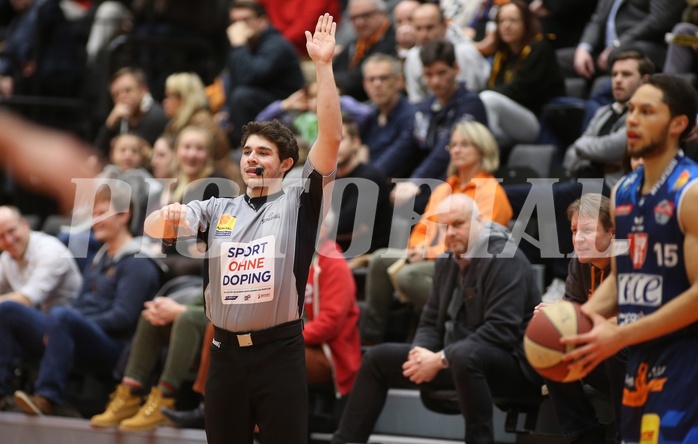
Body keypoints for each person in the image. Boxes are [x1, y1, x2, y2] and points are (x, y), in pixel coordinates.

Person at [143, 14, 341, 444]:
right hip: (226, 354)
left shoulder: (300, 200)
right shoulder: (217, 207)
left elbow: (330, 139)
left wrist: (323, 68)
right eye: (247, 151)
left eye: (264, 153)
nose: (252, 158)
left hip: (279, 353)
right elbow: (155, 227)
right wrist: (168, 215)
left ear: (285, 165)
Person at [332, 194, 541, 444]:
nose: (450, 232)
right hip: (458, 357)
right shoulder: (446, 261)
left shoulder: (505, 258)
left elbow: (501, 330)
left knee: (465, 354)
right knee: (378, 359)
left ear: (480, 221)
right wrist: (422, 353)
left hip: (512, 364)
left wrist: (441, 359)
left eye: (458, 224)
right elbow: (431, 320)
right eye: (444, 226)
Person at [563, 74, 698, 442]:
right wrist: (578, 322)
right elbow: (621, 278)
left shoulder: (691, 192)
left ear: (678, 124)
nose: (632, 119)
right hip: (640, 357)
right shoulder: (623, 192)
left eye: (647, 111)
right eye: (632, 109)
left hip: (686, 359)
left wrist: (620, 332)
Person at [5, 184, 165, 416]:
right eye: (94, 214)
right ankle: (3, 392)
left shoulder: (138, 262)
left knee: (62, 314)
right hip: (75, 330)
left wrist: (71, 323)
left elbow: (123, 318)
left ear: (123, 215)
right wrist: (63, 324)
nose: (95, 220)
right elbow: (78, 305)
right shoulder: (99, 257)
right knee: (10, 310)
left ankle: (47, 397)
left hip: (114, 345)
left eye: (102, 213)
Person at [361, 121, 513, 345]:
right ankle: (370, 341)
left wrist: (429, 252)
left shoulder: (491, 191)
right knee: (379, 260)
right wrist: (418, 247)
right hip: (435, 258)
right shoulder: (443, 189)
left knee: (409, 276)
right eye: (453, 145)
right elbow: (423, 227)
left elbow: (474, 242)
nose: (457, 150)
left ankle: (458, 317)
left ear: (483, 149)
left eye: (465, 144)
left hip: (466, 266)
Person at [535, 194, 626, 444]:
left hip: (637, 357)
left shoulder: (631, 260)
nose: (578, 239)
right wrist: (556, 316)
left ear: (612, 231)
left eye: (587, 230)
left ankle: (625, 432)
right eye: (575, 230)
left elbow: (633, 320)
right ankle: (583, 432)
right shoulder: (579, 262)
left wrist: (577, 321)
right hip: (598, 353)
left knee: (616, 345)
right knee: (547, 339)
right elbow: (573, 308)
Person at [89, 279, 208, 431]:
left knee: (187, 318)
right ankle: (130, 395)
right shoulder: (220, 263)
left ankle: (165, 398)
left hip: (233, 323)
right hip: (208, 318)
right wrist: (173, 309)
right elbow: (202, 299)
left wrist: (181, 309)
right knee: (151, 316)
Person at [386, 39, 488, 212]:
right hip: (432, 184)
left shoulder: (471, 104)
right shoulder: (425, 107)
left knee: (409, 207)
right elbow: (404, 145)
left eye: (441, 73)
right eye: (428, 74)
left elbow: (445, 150)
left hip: (461, 185)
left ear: (455, 69)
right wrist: (372, 174)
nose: (435, 81)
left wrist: (416, 181)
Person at [563, 51, 654, 189]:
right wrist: (599, 161)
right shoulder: (602, 112)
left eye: (626, 74)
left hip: (613, 189)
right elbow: (570, 155)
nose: (618, 80)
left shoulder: (646, 114)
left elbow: (611, 148)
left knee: (534, 194)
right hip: (582, 184)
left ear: (644, 81)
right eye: (614, 74)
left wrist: (583, 149)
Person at [479, 0, 565, 146]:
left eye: (513, 20)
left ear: (526, 22)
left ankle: (488, 150)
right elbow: (494, 85)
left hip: (537, 120)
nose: (507, 25)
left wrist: (479, 94)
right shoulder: (503, 55)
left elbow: (520, 91)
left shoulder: (540, 48)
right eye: (502, 21)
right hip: (510, 119)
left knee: (487, 99)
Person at [224, 0, 305, 149]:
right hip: (260, 109)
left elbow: (250, 77)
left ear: (262, 21)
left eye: (245, 20)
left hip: (287, 111)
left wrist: (239, 45)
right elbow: (234, 81)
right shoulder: (244, 46)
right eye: (234, 21)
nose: (238, 27)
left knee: (242, 96)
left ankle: (243, 148)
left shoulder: (276, 44)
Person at [564, 0, 683, 79]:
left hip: (640, 46)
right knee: (558, 60)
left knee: (619, 54)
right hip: (603, 50)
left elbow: (660, 20)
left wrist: (618, 44)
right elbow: (597, 19)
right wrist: (584, 47)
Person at [162, 72, 242, 189]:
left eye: (169, 96)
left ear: (183, 98)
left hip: (217, 189)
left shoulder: (201, 123)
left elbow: (206, 166)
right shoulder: (176, 124)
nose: (165, 102)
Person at [0, 206, 82, 314]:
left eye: (11, 231)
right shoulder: (6, 257)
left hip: (69, 320)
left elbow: (28, 299)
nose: (8, 240)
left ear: (25, 225)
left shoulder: (50, 251)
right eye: (1, 236)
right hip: (39, 317)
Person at [331, 116, 392, 257]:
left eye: (341, 139)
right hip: (338, 251)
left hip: (368, 255)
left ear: (356, 143)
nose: (334, 146)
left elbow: (343, 224)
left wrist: (323, 232)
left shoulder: (370, 178)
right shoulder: (330, 180)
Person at [403, 2, 489, 103]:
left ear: (444, 26)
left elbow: (473, 95)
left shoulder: (464, 51)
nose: (423, 35)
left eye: (429, 27)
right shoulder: (412, 57)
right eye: (418, 28)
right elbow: (416, 100)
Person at [94, 67, 169, 157]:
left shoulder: (157, 116)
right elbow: (96, 155)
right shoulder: (118, 117)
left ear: (144, 90)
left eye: (128, 90)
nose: (122, 97)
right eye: (116, 94)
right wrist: (109, 125)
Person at [359, 53, 416, 172]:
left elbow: (394, 160)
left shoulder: (411, 116)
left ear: (398, 81)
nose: (377, 84)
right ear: (365, 85)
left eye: (383, 78)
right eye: (371, 79)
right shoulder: (369, 118)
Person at [333, 0, 396, 102]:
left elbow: (360, 77)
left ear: (382, 13)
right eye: (354, 18)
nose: (360, 22)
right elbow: (334, 69)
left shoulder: (393, 40)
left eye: (366, 15)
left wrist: (333, 81)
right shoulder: (357, 42)